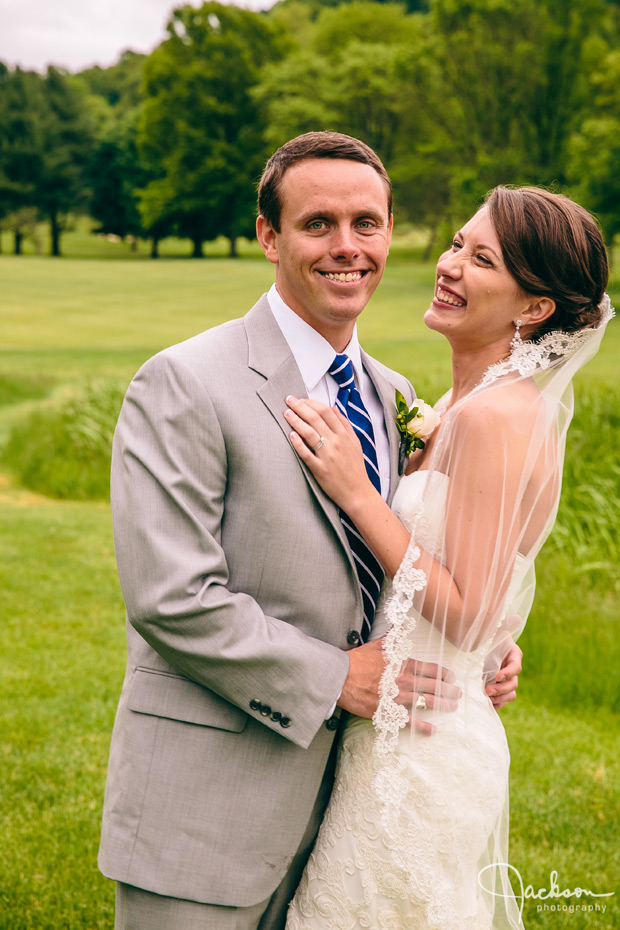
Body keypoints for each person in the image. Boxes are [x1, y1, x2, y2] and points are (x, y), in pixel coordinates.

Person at [98, 132, 522, 930]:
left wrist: (474, 645)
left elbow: (412, 563)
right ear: (269, 236)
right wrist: (338, 678)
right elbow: (173, 597)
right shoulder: (185, 381)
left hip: (351, 814)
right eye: (317, 223)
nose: (346, 248)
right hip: (209, 808)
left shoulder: (395, 395)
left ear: (390, 234)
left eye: (367, 223)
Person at [283, 186, 613, 929]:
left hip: (425, 746)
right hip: (401, 718)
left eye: (483, 258)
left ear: (534, 310)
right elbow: (478, 588)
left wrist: (355, 490)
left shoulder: (499, 416)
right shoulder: (460, 405)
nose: (451, 265)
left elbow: (463, 613)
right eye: (458, 243)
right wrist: (501, 640)